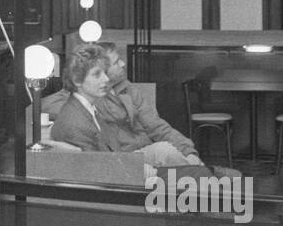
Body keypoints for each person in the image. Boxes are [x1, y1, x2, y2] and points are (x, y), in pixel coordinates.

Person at [47, 43, 208, 169]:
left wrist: (188, 151)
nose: (123, 64)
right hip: (125, 163)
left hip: (140, 154)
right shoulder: (87, 103)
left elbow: (157, 126)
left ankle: (202, 178)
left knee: (168, 152)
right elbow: (100, 164)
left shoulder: (126, 89)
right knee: (165, 153)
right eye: (116, 62)